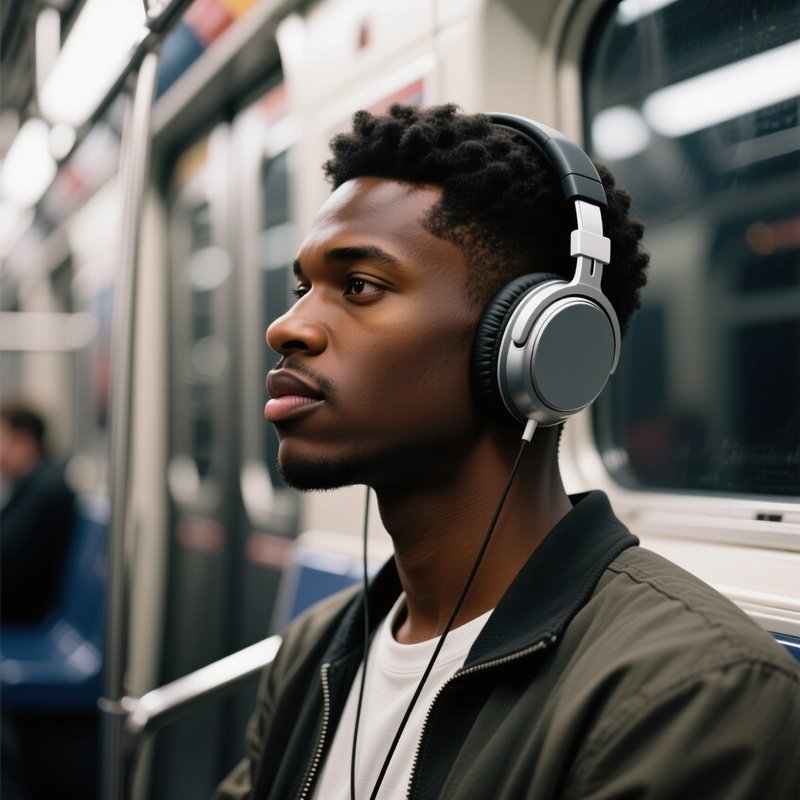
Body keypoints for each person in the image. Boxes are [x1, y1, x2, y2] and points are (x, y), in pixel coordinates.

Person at [215, 104, 800, 799]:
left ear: (539, 344)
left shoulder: (693, 693)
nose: (288, 326)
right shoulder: (317, 649)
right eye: (302, 289)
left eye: (360, 286)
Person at [0, 398, 76, 623]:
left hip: (22, 611)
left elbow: (6, 562)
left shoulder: (46, 490)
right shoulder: (31, 484)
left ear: (22, 441)